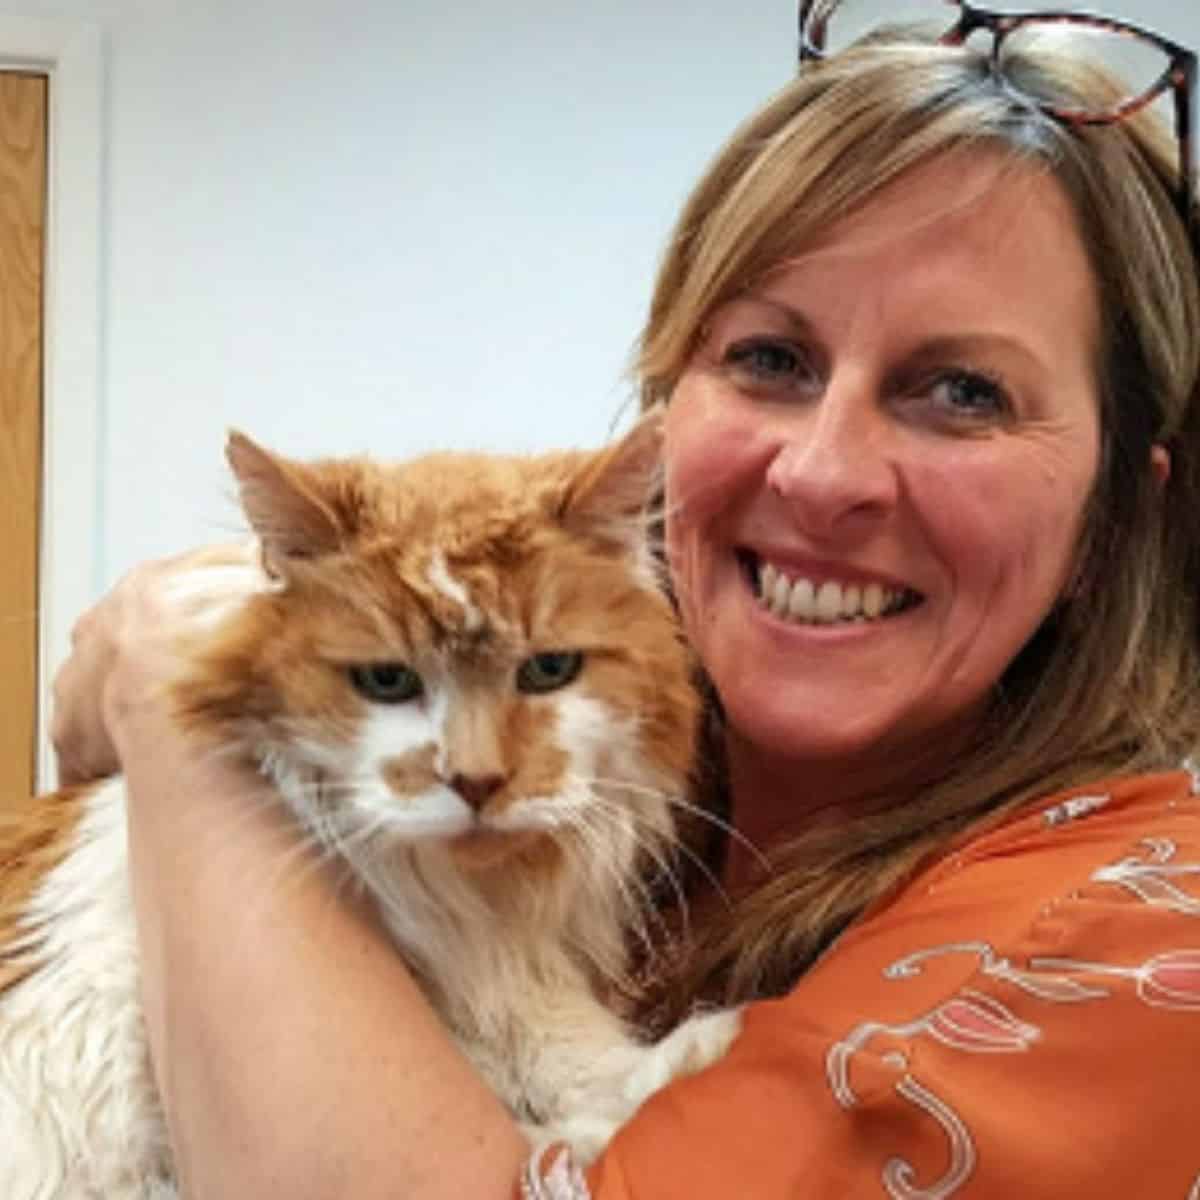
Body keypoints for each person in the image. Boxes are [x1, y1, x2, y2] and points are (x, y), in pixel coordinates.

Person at [50, 5, 1200, 1197]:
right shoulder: (638, 799)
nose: (821, 472)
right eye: (770, 359)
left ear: (1118, 515)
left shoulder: (1132, 937)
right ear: (664, 405)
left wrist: (175, 723)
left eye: (962, 391)